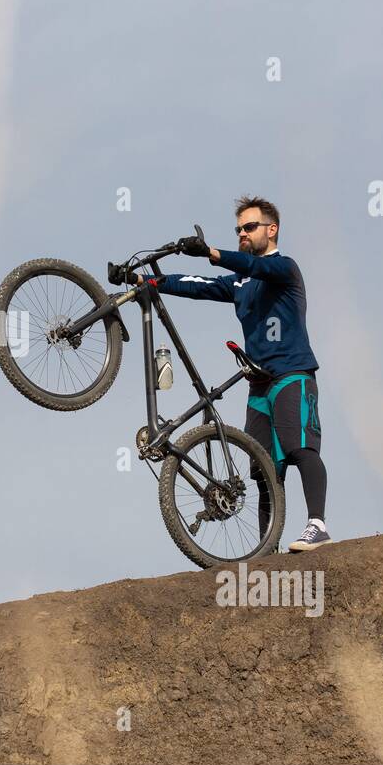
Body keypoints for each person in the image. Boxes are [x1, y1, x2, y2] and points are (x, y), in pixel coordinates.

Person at [144, 196, 330, 552]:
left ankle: (317, 525)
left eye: (249, 227)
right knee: (262, 470)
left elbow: (252, 265)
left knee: (299, 448)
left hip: (292, 373)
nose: (242, 234)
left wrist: (212, 251)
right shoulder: (242, 282)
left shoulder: (284, 268)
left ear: (271, 230)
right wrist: (146, 281)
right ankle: (267, 546)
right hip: (258, 385)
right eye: (238, 229)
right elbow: (198, 285)